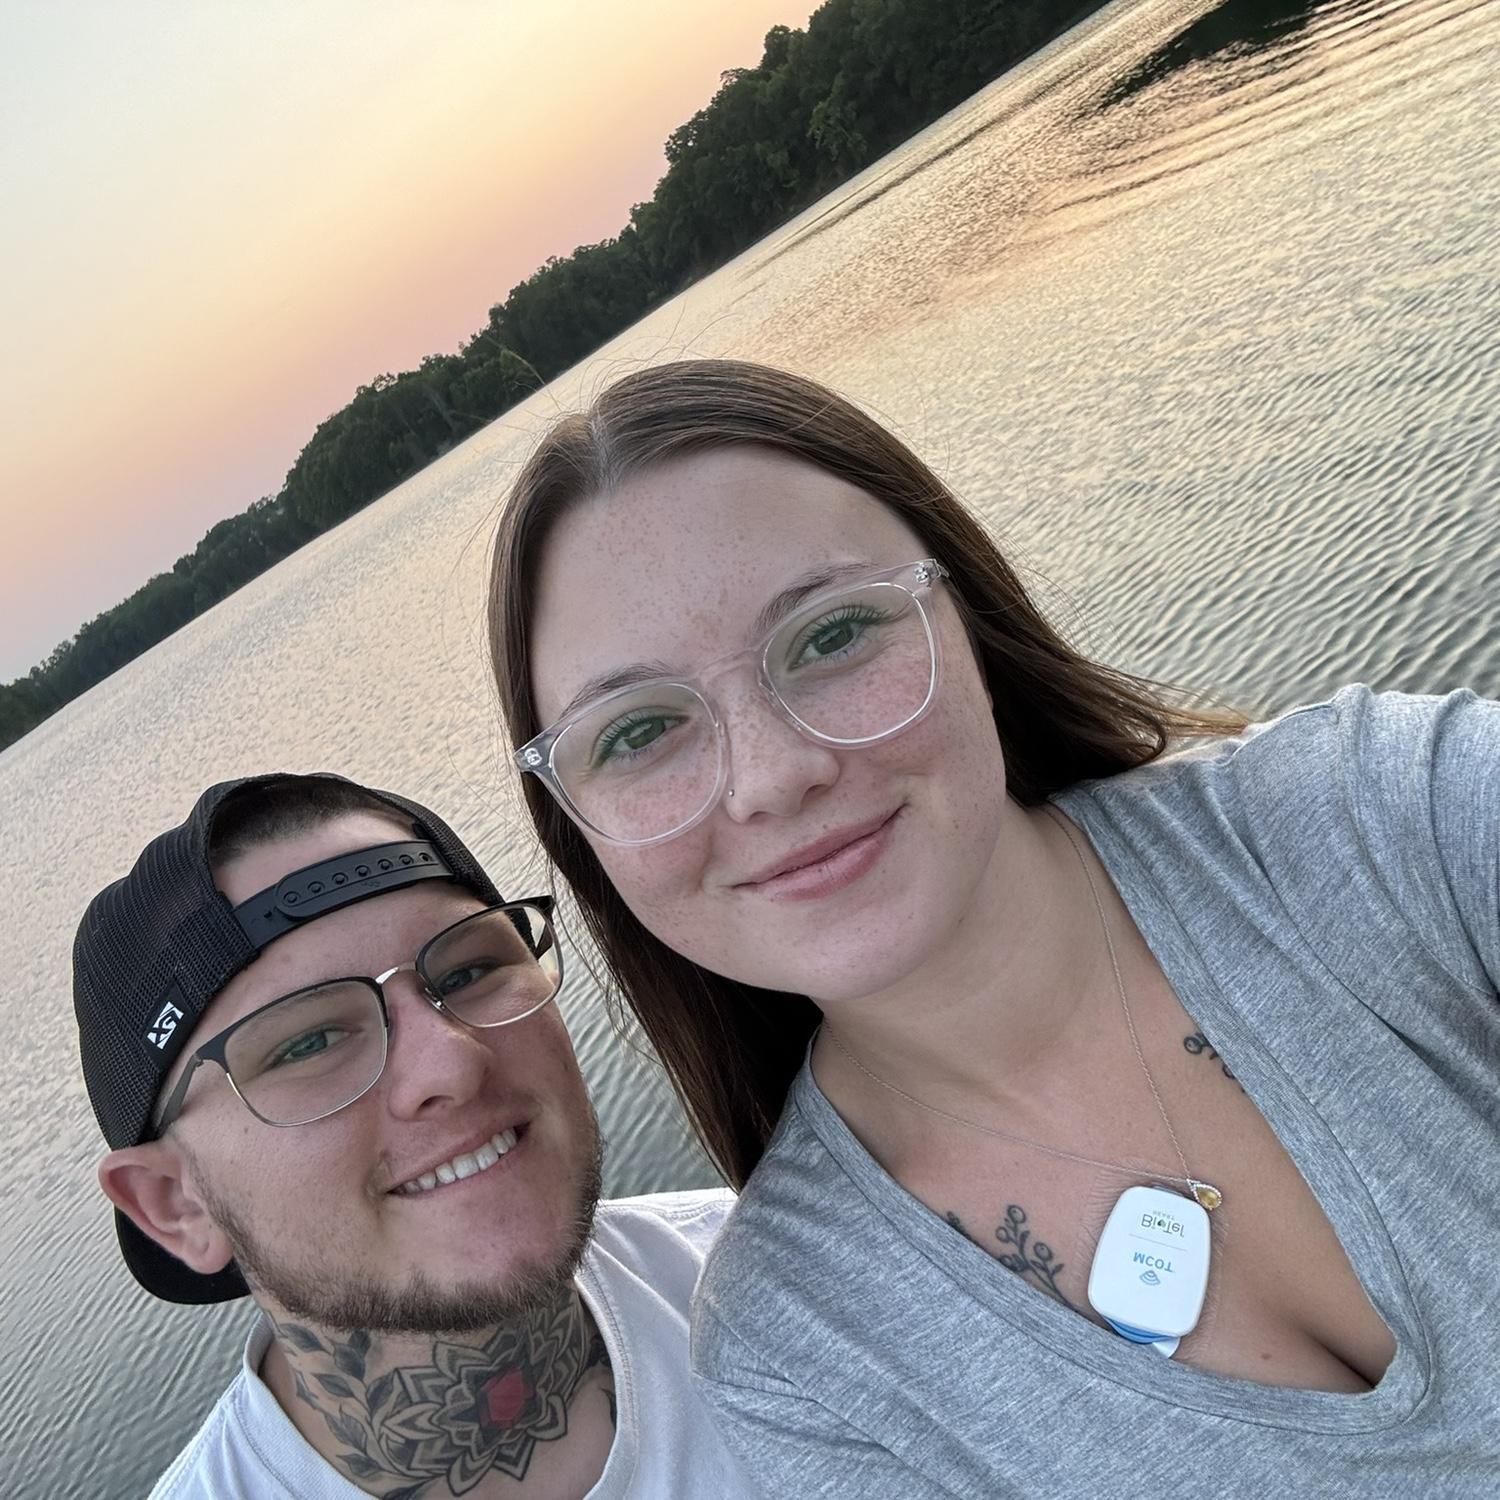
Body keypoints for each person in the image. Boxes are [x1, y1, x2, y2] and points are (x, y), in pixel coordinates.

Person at [487, 357, 1500, 1496]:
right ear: (578, 827)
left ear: (962, 615)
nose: (772, 776)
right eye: (638, 733)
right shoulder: (804, 1359)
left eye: (831, 634)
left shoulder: (1371, 816)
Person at [75, 771, 753, 1499]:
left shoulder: (773, 1277)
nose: (452, 1062)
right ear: (177, 1205)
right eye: (308, 1044)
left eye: (470, 970)